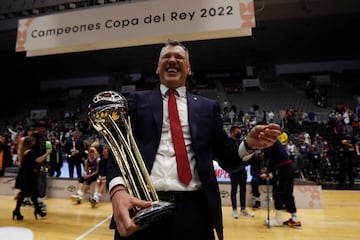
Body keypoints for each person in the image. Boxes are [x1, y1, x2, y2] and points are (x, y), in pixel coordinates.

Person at [105, 39, 281, 240]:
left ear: (188, 69)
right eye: (166, 57)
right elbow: (117, 151)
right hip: (142, 206)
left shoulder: (208, 107)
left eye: (179, 57)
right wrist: (117, 191)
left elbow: (228, 159)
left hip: (195, 212)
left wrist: (249, 145)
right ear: (157, 68)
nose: (172, 60)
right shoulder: (134, 102)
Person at [262, 140, 301, 228]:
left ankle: (278, 220)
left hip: (282, 167)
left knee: (278, 192)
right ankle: (295, 219)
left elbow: (268, 158)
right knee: (288, 193)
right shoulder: (275, 140)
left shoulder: (268, 142)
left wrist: (268, 172)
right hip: (289, 166)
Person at [12, 136, 51, 220]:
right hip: (28, 176)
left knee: (30, 194)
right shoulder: (31, 152)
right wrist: (47, 153)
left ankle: (33, 210)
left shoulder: (24, 151)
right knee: (28, 194)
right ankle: (18, 211)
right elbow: (39, 160)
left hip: (25, 175)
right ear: (31, 143)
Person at [227, 126, 254, 218]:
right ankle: (234, 210)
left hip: (242, 169)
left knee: (243, 189)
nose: (239, 132)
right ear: (232, 132)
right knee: (234, 189)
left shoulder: (241, 142)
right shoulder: (228, 143)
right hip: (234, 169)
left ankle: (243, 209)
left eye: (240, 131)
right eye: (237, 131)